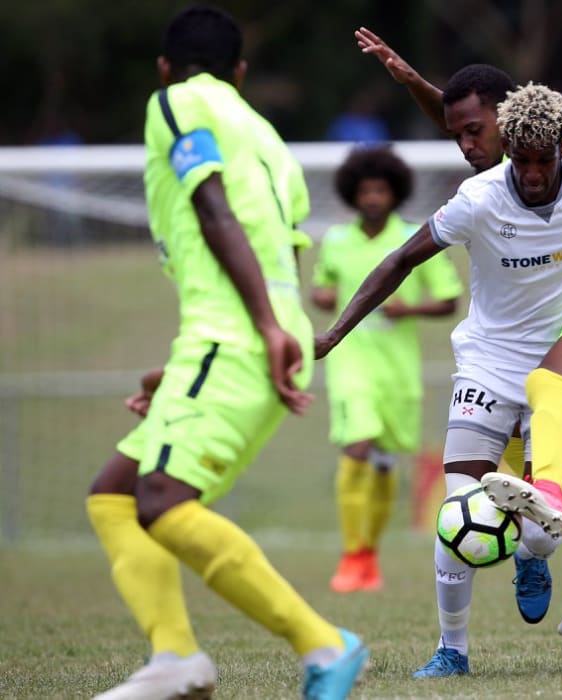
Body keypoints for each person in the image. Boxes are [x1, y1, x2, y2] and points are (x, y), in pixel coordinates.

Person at [316, 81, 562, 678]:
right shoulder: (477, 199)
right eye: (520, 160)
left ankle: (534, 557)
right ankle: (451, 649)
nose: (531, 174)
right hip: (485, 363)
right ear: (508, 149)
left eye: (542, 161)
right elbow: (401, 259)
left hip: (559, 362)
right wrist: (335, 333)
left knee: (541, 534)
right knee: (458, 514)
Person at [84, 8, 367, 699]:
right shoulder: (271, 141)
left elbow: (213, 206)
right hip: (249, 332)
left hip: (241, 332)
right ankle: (175, 657)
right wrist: (249, 337)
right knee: (115, 496)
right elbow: (278, 251)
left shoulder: (176, 102)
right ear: (240, 74)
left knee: (161, 497)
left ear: (164, 68)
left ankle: (324, 645)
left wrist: (261, 328)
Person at [311, 146, 463, 593]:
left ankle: (368, 555)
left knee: (383, 462)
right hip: (350, 359)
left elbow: (449, 299)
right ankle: (350, 554)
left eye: (380, 189)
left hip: (397, 368)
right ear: (352, 194)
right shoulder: (337, 240)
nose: (373, 197)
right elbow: (323, 288)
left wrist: (409, 308)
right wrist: (323, 297)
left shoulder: (413, 238)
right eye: (365, 190)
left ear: (394, 192)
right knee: (356, 446)